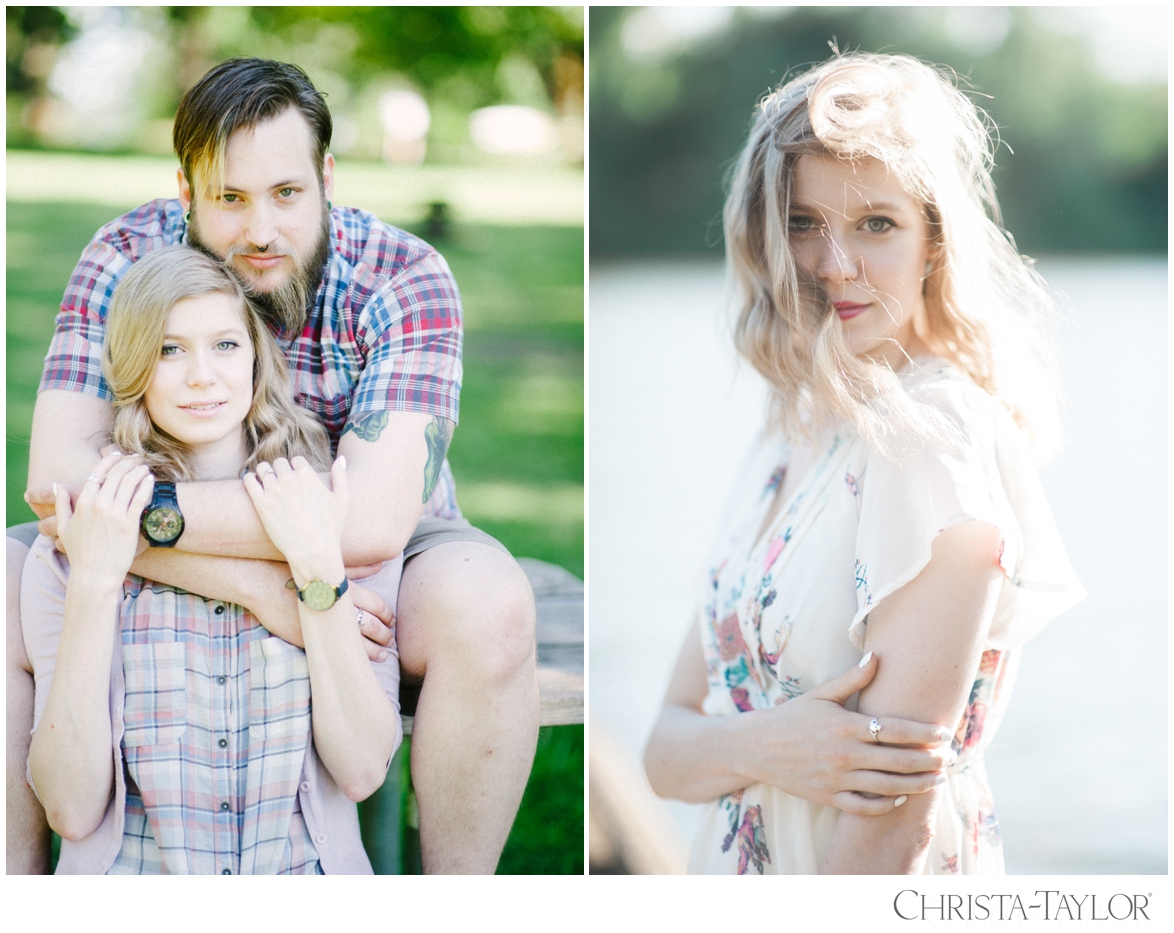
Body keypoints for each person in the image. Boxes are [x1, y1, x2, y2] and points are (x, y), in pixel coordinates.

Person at [7, 58, 538, 875]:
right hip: (166, 485)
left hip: (365, 538)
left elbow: (364, 524)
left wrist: (149, 538)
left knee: (490, 602)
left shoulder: (403, 275)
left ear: (326, 176)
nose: (261, 230)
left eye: (287, 194)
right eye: (230, 198)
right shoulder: (125, 254)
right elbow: (56, 484)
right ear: (185, 193)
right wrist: (265, 590)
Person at [643, 52, 1084, 875]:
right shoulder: (789, 428)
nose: (834, 264)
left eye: (876, 224)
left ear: (933, 242)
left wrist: (730, 750)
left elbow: (894, 818)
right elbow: (664, 754)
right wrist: (769, 744)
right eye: (805, 223)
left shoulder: (930, 436)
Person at [24, 246, 402, 873]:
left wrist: (316, 571)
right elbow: (70, 807)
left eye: (225, 345)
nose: (203, 375)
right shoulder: (72, 550)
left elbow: (362, 768)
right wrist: (95, 584)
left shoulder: (328, 522)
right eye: (170, 350)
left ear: (257, 358)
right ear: (133, 366)